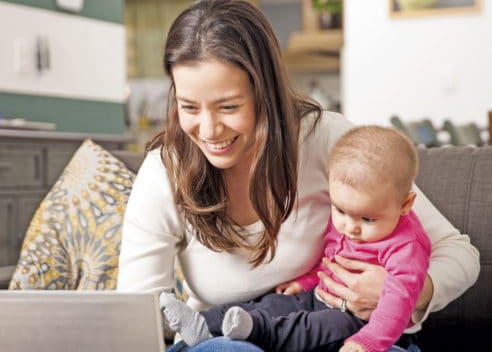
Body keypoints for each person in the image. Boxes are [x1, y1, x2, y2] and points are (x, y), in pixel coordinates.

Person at [117, 0, 480, 352]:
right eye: (189, 107)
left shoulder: (327, 140)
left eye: (229, 107)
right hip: (227, 340)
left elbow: (458, 253)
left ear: (266, 94)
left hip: (336, 330)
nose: (209, 130)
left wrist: (406, 290)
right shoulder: (165, 171)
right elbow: (136, 316)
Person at [160, 126, 431, 352]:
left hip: (364, 323)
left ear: (405, 204)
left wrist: (368, 341)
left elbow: (398, 304)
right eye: (340, 210)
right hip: (320, 295)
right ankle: (204, 324)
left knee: (322, 327)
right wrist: (307, 281)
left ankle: (254, 331)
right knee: (272, 303)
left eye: (368, 219)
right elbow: (331, 261)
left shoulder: (407, 246)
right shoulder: (350, 216)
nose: (350, 227)